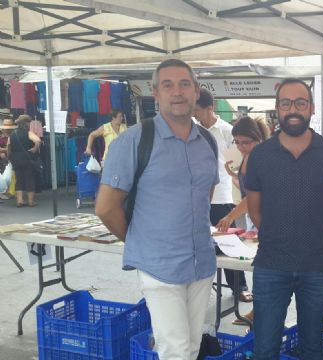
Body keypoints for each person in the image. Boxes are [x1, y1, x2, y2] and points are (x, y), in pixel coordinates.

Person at [95, 59, 219, 360]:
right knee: (174, 349)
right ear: (156, 92)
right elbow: (105, 208)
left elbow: (205, 195)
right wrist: (141, 241)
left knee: (192, 346)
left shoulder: (208, 142)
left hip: (201, 262)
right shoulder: (134, 140)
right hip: (159, 266)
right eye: (168, 85)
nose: (177, 92)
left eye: (184, 84)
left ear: (196, 91)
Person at [244, 78, 323, 360]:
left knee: (313, 349)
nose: (293, 109)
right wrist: (278, 235)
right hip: (271, 265)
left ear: (311, 108)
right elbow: (255, 209)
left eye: (300, 103)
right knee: (265, 348)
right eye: (286, 103)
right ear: (276, 109)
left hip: (316, 265)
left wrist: (321, 234)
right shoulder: (260, 156)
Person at [193, 89, 253, 304]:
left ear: (210, 108)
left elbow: (236, 166)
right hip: (197, 195)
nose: (195, 114)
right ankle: (200, 285)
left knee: (228, 243)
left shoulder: (227, 131)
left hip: (221, 195)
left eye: (197, 110)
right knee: (199, 242)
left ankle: (239, 287)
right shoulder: (192, 130)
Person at [215, 116, 271, 326]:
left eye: (245, 142)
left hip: (269, 220)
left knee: (265, 269)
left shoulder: (265, 158)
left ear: (257, 138)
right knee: (257, 266)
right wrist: (233, 175)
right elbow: (248, 191)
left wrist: (230, 216)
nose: (240, 147)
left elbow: (253, 196)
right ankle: (258, 311)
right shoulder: (247, 158)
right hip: (254, 219)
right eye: (237, 142)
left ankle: (261, 313)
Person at [8, 115, 41, 207]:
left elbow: (9, 146)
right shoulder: (28, 133)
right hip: (27, 158)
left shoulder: (12, 134)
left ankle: (20, 200)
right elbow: (37, 140)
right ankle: (31, 201)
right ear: (26, 123)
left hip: (15, 159)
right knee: (29, 178)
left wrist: (9, 157)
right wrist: (35, 148)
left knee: (19, 179)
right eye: (29, 122)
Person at [0, 118, 17, 200]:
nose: (7, 130)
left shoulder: (14, 136)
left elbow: (14, 148)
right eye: (6, 129)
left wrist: (3, 150)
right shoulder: (1, 138)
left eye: (9, 129)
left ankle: (9, 191)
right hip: (3, 160)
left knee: (10, 176)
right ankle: (4, 192)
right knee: (5, 176)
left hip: (12, 159)